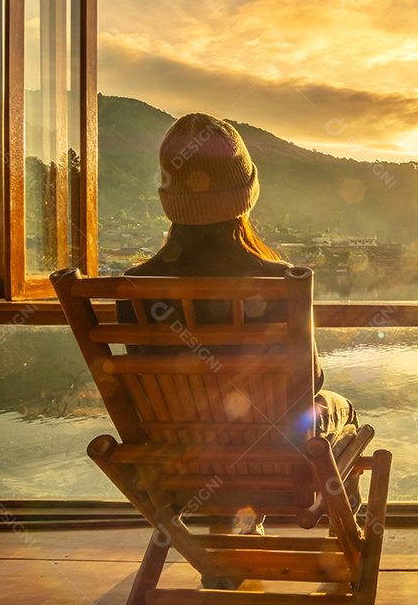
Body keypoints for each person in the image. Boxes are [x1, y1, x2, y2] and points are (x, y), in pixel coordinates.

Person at [120, 112, 362, 536]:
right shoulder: (278, 282)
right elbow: (311, 382)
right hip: (271, 451)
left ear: (168, 196)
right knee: (342, 410)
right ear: (245, 194)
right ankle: (347, 533)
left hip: (181, 457)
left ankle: (232, 533)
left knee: (218, 422)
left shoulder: (135, 289)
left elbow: (139, 389)